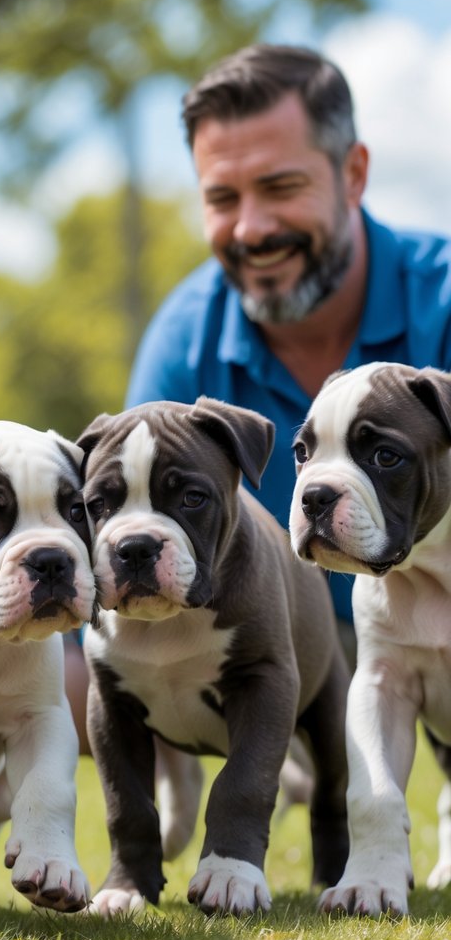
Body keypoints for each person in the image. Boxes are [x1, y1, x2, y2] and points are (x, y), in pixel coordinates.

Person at [124, 41, 451, 656]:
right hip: (274, 655)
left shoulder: (445, 302)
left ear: (353, 174)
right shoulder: (183, 347)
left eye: (279, 186)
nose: (251, 227)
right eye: (223, 198)